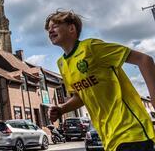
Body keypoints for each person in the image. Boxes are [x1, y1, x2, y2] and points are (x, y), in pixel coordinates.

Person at [45, 10, 155, 151]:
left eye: (54, 26)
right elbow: (80, 96)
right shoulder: (62, 64)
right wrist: (61, 109)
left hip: (131, 131)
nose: (50, 31)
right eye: (48, 29)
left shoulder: (91, 47)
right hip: (109, 138)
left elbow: (144, 60)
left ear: (71, 28)